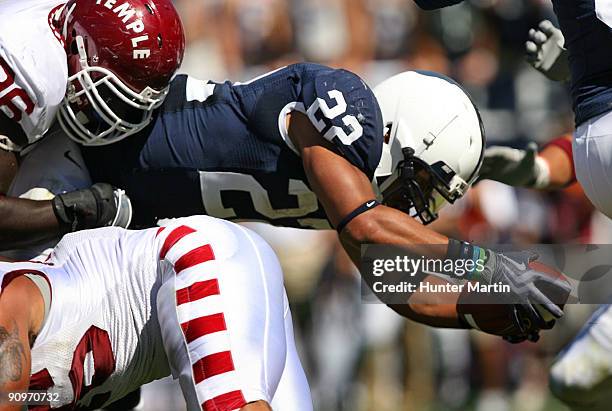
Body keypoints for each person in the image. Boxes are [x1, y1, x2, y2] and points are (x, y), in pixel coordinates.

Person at [59, 63, 569, 342]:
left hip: (118, 212)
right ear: (400, 136)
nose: (415, 204)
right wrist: (491, 266)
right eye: (420, 182)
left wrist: (478, 311)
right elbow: (368, 229)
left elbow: (394, 285)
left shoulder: (357, 193)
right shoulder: (353, 108)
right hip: (96, 139)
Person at [0, 215, 312, 411]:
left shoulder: (7, 305)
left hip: (196, 261)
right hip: (230, 276)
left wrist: (366, 293)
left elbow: (363, 231)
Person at [0, 0, 185, 248]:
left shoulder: (63, 20)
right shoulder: (33, 77)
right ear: (81, 48)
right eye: (112, 96)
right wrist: (77, 210)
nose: (124, 114)